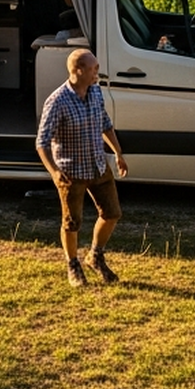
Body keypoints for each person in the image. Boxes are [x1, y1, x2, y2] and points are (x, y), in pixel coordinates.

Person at [36, 48, 129, 286]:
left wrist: (118, 153)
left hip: (98, 165)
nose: (98, 72)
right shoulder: (57, 101)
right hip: (72, 172)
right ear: (79, 70)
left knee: (112, 213)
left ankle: (95, 256)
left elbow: (105, 124)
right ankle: (72, 264)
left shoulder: (96, 93)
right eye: (94, 68)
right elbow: (42, 142)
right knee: (72, 222)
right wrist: (55, 172)